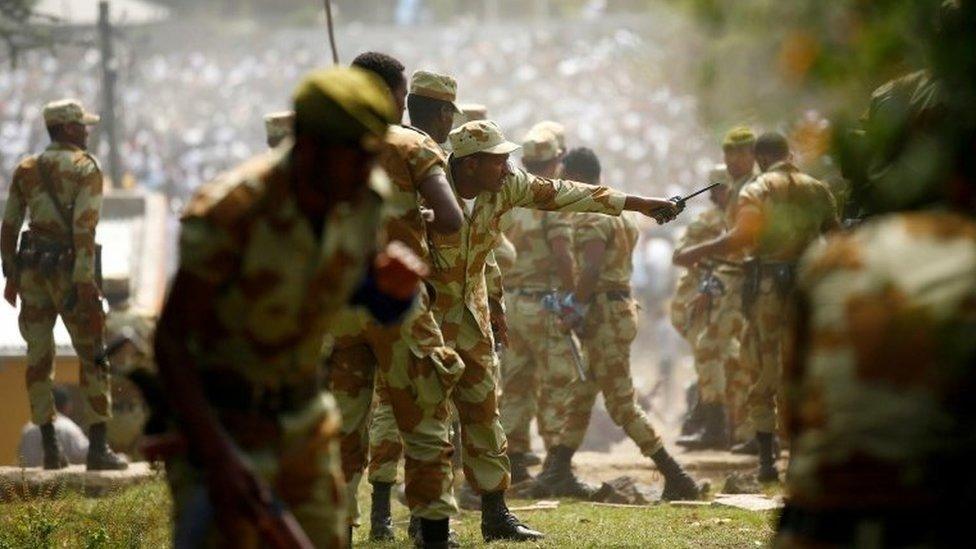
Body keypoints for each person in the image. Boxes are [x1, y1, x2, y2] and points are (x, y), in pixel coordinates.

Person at [152, 66, 421, 548]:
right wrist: (218, 457)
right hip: (225, 426)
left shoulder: (361, 198)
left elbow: (358, 291)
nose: (369, 171)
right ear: (312, 147)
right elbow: (171, 342)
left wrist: (394, 293)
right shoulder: (231, 212)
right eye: (357, 157)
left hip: (306, 425)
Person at [424, 119, 682, 542]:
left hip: (472, 317)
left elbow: (568, 194)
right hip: (428, 317)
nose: (508, 167)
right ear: (469, 165)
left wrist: (640, 203)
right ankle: (426, 520)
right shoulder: (428, 191)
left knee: (485, 412)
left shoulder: (504, 188)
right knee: (429, 417)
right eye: (498, 160)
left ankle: (495, 513)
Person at [326, 63, 467, 548]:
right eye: (402, 96)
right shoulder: (413, 145)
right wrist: (418, 218)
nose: (406, 105)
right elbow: (452, 218)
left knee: (341, 427)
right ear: (385, 94)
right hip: (396, 301)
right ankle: (433, 536)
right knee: (426, 421)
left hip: (339, 305)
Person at [674, 132, 839, 481]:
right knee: (801, 366)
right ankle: (799, 458)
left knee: (763, 367)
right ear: (788, 154)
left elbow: (742, 237)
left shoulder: (759, 189)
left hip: (769, 290)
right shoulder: (817, 188)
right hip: (807, 288)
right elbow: (837, 238)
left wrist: (697, 252)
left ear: (761, 158)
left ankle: (767, 462)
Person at [538, 147, 702, 500]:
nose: (563, 183)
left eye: (566, 176)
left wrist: (574, 308)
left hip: (603, 315)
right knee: (582, 395)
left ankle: (676, 475)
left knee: (621, 404)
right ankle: (556, 470)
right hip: (619, 308)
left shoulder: (592, 214)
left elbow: (592, 268)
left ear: (579, 177)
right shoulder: (622, 212)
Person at [1, 98, 128, 471]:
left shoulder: (26, 168)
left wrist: (10, 275)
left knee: (38, 360)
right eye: (82, 126)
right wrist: (86, 281)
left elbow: (8, 227)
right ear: (67, 129)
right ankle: (98, 449)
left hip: (32, 273)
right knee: (94, 355)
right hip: (72, 274)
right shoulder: (85, 168)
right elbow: (84, 228)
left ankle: (51, 448)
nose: (87, 131)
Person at [498, 123, 580, 485]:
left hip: (511, 302)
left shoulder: (510, 195)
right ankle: (555, 463)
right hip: (544, 303)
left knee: (515, 382)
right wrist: (575, 299)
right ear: (557, 161)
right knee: (558, 381)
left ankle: (514, 458)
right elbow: (563, 255)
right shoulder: (552, 197)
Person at [672, 165, 733, 451]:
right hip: (712, 299)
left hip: (745, 297)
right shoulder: (705, 222)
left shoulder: (750, 217)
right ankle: (715, 426)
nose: (724, 193)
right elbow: (680, 256)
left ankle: (738, 428)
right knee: (709, 355)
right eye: (719, 188)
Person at [18, 386, 89, 467]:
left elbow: (22, 458)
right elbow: (85, 454)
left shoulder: (29, 427)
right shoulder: (68, 427)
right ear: (67, 405)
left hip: (28, 478)